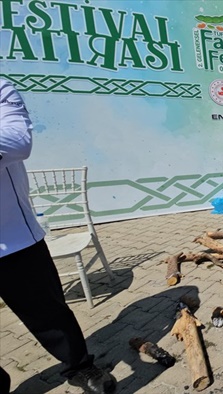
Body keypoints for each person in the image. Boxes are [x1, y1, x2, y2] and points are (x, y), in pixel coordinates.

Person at [0, 78, 116, 394]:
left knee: (48, 313)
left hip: (13, 239)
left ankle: (79, 367)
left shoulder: (1, 89)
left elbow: (18, 141)